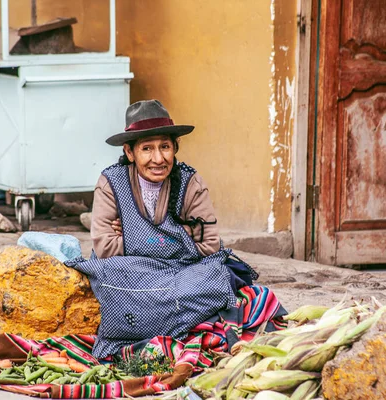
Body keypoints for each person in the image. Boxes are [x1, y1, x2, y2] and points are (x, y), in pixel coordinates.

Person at [70, 100, 285, 358]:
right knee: (108, 274)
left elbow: (209, 247)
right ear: (129, 152)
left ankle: (145, 326)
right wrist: (178, 235)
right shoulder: (111, 182)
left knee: (214, 276)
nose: (158, 158)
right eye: (147, 149)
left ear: (175, 147)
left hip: (181, 275)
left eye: (165, 147)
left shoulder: (191, 182)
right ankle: (184, 323)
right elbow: (104, 249)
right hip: (129, 274)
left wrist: (133, 236)